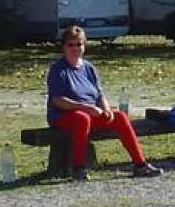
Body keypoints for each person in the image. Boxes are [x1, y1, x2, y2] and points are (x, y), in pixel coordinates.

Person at [46, 25, 163, 180]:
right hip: (64, 116)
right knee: (82, 118)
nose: (75, 48)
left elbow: (99, 94)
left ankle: (140, 165)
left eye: (79, 44)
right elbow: (58, 101)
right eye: (71, 45)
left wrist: (106, 109)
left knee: (119, 116)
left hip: (91, 113)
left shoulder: (88, 68)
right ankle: (78, 168)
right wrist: (85, 107)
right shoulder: (58, 70)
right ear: (64, 47)